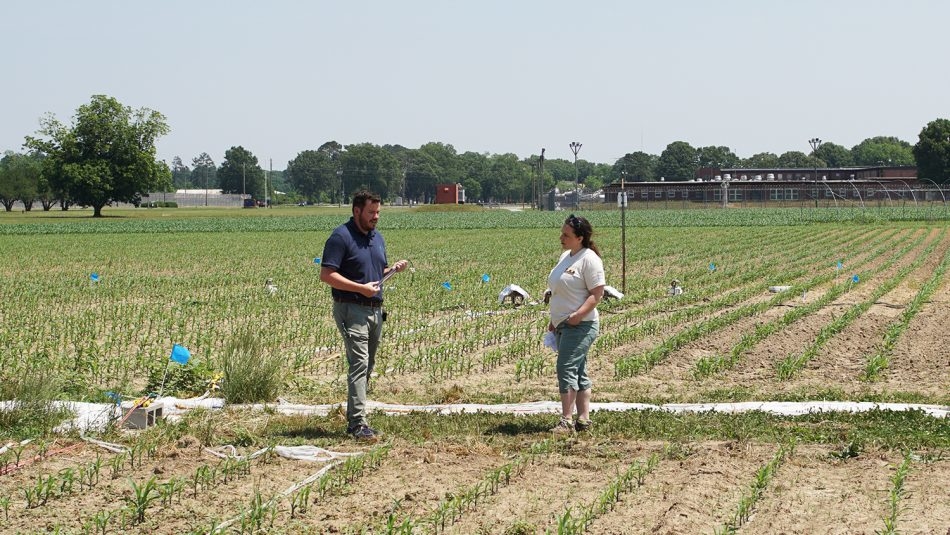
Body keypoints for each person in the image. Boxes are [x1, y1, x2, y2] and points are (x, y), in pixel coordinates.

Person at [320, 190, 408, 442]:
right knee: (359, 363)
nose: (376, 217)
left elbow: (376, 270)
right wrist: (360, 288)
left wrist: (392, 270)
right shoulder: (340, 237)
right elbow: (327, 275)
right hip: (351, 308)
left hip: (375, 310)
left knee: (367, 364)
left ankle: (356, 415)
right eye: (371, 212)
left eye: (378, 212)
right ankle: (357, 424)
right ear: (356, 211)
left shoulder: (376, 237)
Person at [546, 213, 605, 434]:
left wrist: (578, 315)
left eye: (566, 234)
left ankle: (566, 421)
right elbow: (559, 289)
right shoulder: (566, 256)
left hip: (581, 325)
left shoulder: (590, 260)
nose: (561, 237)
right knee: (578, 370)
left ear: (579, 237)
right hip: (563, 324)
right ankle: (583, 419)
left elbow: (596, 294)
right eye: (562, 233)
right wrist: (554, 320)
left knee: (566, 367)